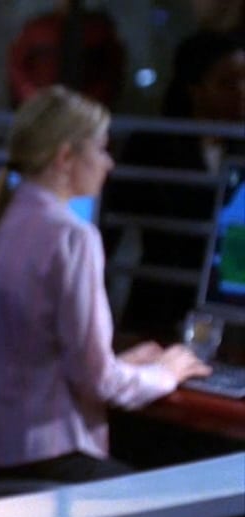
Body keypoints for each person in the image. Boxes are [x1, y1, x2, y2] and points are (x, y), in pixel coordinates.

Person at [0, 85, 211, 484]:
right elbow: (98, 382)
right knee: (196, 506)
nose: (109, 163)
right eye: (102, 149)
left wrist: (124, 364)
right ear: (65, 157)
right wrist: (166, 372)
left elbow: (30, 362)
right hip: (53, 459)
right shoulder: (72, 237)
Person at [104, 30, 245, 337]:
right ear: (195, 88)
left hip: (229, 307)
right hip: (160, 300)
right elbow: (110, 229)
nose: (241, 92)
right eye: (227, 83)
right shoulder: (152, 145)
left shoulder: (240, 147)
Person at [6, 0, 127, 109]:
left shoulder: (99, 29)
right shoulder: (37, 28)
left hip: (88, 109)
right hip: (41, 106)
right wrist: (32, 95)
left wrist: (93, 99)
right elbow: (17, 66)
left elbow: (113, 69)